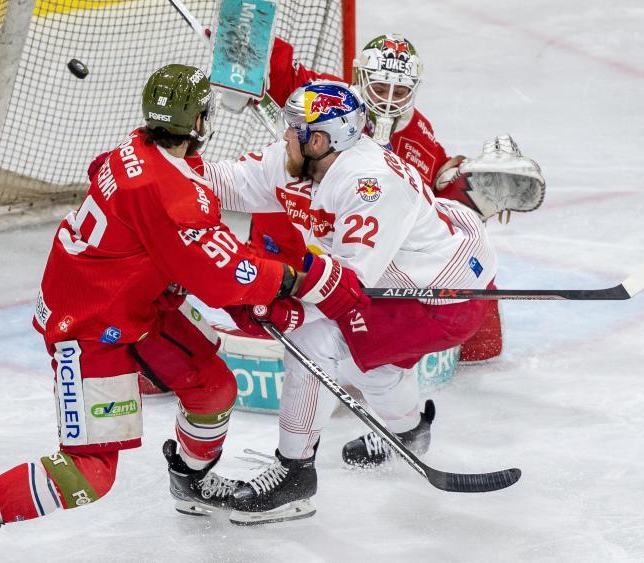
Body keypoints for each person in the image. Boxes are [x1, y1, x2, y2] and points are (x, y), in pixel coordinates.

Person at [0, 65, 362, 562]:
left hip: (134, 307)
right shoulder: (171, 193)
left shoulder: (138, 151)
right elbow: (223, 275)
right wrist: (295, 281)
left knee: (213, 388)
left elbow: (167, 237)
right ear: (199, 122)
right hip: (88, 328)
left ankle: (191, 482)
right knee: (90, 471)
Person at [201, 81, 498, 524]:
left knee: (314, 338)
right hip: (399, 274)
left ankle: (294, 473)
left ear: (318, 139)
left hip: (441, 298)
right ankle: (409, 433)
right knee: (371, 365)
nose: (285, 135)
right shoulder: (303, 158)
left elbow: (347, 286)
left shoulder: (369, 184)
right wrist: (161, 182)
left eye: (293, 128)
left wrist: (280, 303)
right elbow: (236, 182)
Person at [251, 33, 545, 364]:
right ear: (361, 79)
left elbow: (430, 207)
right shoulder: (329, 99)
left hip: (360, 245)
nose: (389, 100)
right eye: (379, 88)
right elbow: (279, 73)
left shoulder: (419, 134)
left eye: (400, 91)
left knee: (482, 346)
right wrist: (245, 40)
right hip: (305, 225)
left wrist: (457, 185)